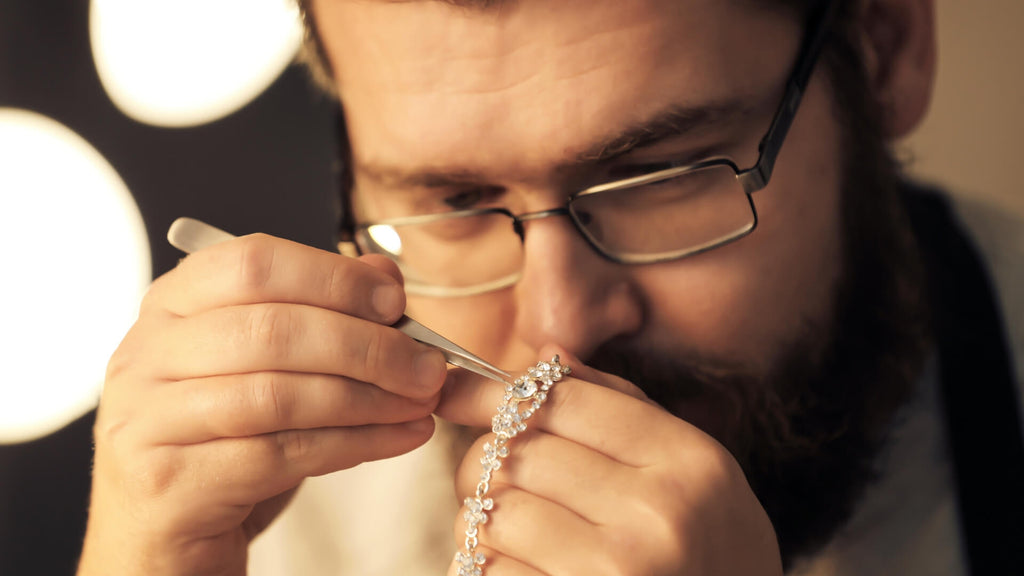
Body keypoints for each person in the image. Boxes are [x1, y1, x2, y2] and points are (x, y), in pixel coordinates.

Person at [76, 0, 1023, 574]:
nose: (559, 328)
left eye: (659, 178)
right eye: (454, 198)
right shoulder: (269, 514)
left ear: (886, 47)